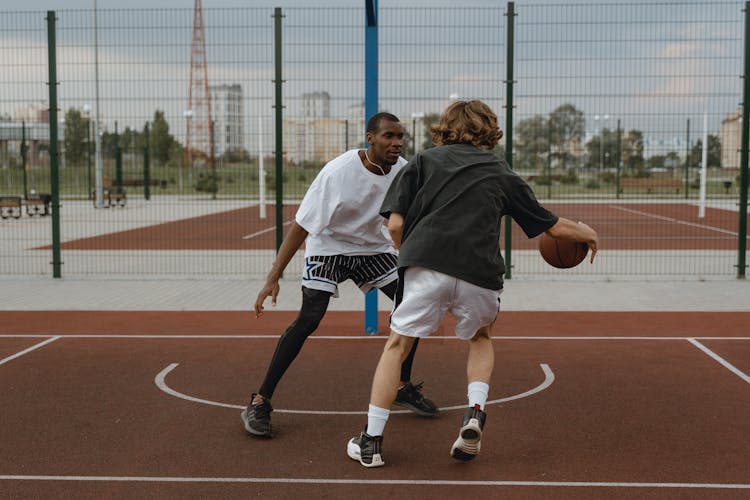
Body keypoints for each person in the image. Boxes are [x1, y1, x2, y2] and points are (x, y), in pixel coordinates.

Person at [347, 100, 599, 467]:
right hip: (479, 272)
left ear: (444, 128)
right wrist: (587, 232)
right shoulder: (500, 170)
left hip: (426, 264)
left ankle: (371, 442)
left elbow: (396, 226)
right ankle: (475, 414)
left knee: (397, 345)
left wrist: (411, 257)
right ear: (489, 129)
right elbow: (553, 227)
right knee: (481, 338)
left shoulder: (422, 163)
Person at [242, 112, 439, 439]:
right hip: (328, 245)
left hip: (372, 249)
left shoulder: (404, 172)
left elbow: (414, 218)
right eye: (389, 136)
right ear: (370, 138)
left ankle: (401, 385)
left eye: (400, 137)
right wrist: (272, 277)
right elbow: (301, 226)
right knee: (310, 317)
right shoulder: (338, 172)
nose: (397, 143)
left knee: (413, 304)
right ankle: (260, 400)